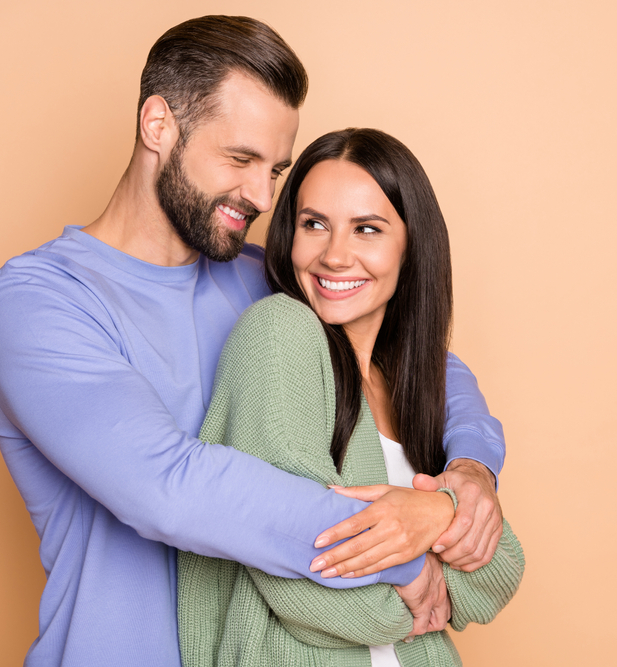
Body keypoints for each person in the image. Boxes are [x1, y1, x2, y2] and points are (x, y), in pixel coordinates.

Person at [0, 16, 506, 667]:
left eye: (276, 168)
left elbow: (420, 361)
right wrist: (399, 546)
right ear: (158, 125)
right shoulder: (37, 302)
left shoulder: (262, 281)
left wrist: (469, 472)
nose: (261, 195)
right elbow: (170, 485)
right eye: (241, 159)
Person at [178, 128, 524, 666]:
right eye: (314, 224)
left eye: (367, 229)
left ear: (411, 246)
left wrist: (436, 512)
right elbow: (296, 572)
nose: (335, 255)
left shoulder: (417, 382)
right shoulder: (278, 334)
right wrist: (426, 588)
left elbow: (500, 569)